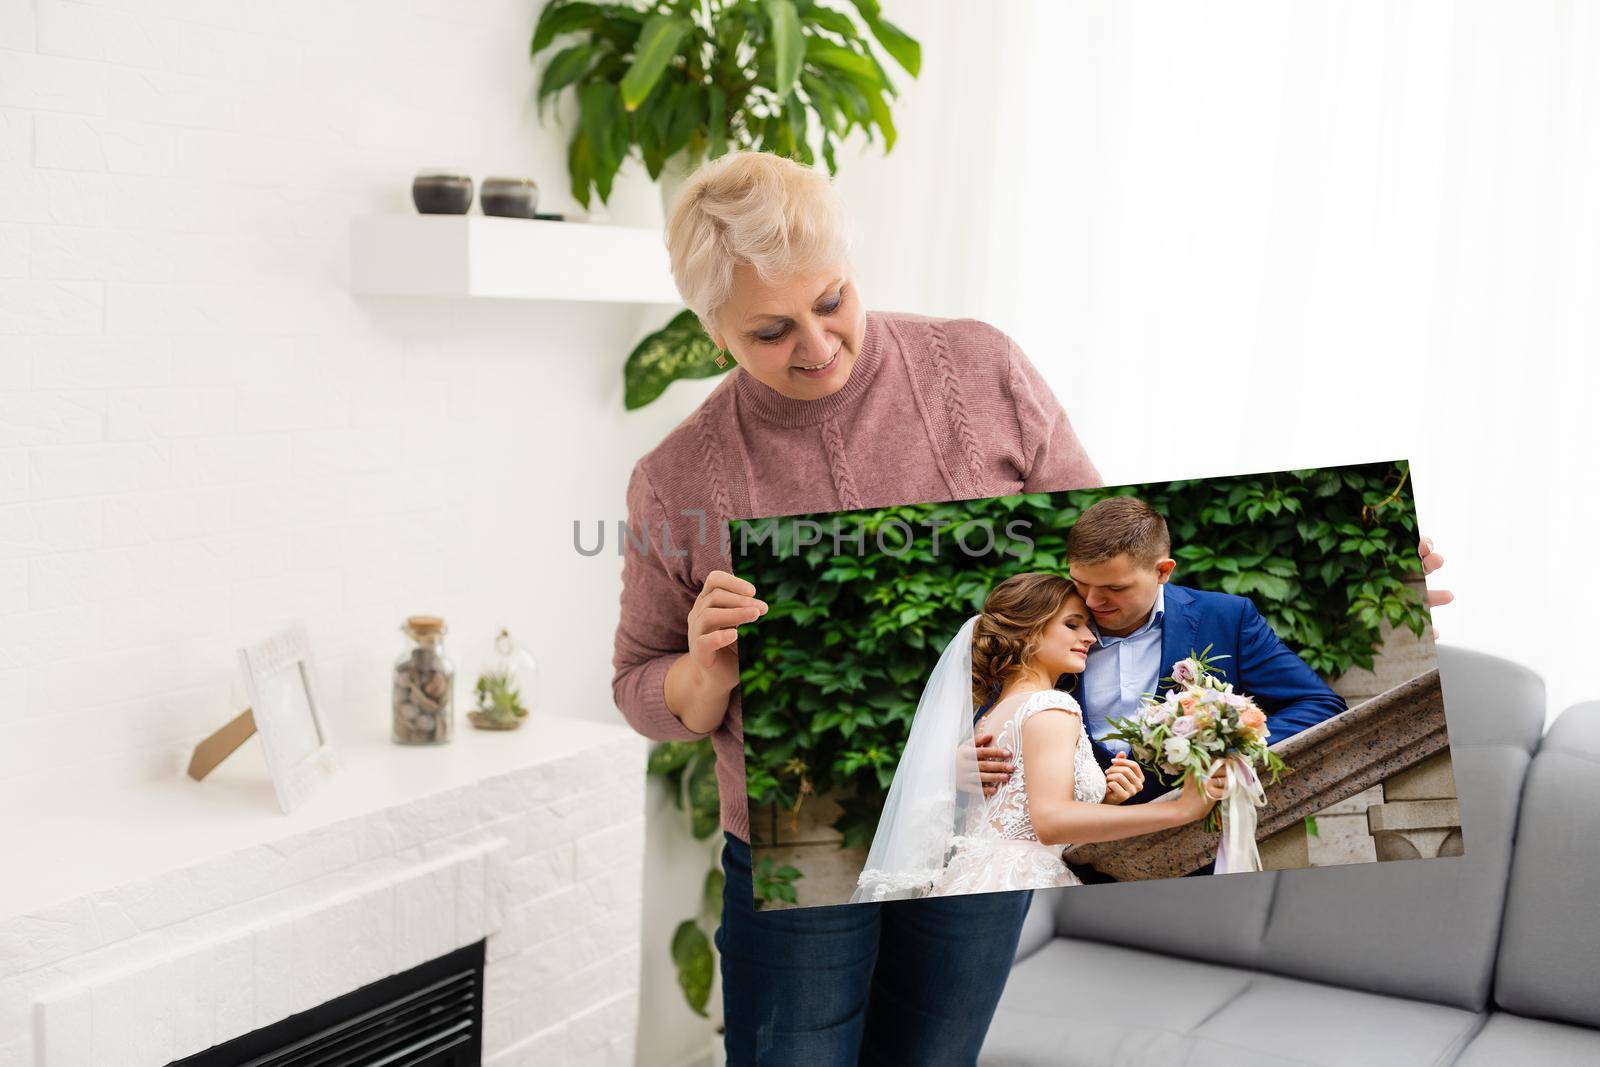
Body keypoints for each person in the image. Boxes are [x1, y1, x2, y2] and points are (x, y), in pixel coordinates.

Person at [610, 150, 1100, 1065]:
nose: (817, 344)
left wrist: (1390, 571)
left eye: (831, 300)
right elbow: (638, 683)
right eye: (770, 330)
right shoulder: (676, 477)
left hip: (977, 833)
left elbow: (1103, 563)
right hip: (802, 850)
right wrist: (703, 672)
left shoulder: (981, 369)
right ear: (714, 330)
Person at [853, 573, 1225, 903]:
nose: (1090, 637)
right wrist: (1182, 809)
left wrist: (1106, 800)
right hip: (1021, 879)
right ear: (1029, 631)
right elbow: (1049, 822)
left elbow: (1022, 815)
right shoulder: (1050, 705)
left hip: (976, 875)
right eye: (1073, 624)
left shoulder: (996, 714)